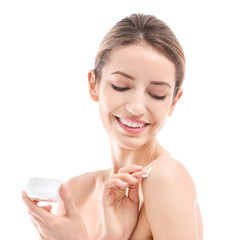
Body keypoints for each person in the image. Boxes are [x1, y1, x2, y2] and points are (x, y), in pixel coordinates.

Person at [22, 13, 203, 240]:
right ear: (93, 84)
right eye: (121, 86)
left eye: (157, 95)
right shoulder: (78, 191)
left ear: (173, 102)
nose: (137, 107)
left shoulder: (165, 179)